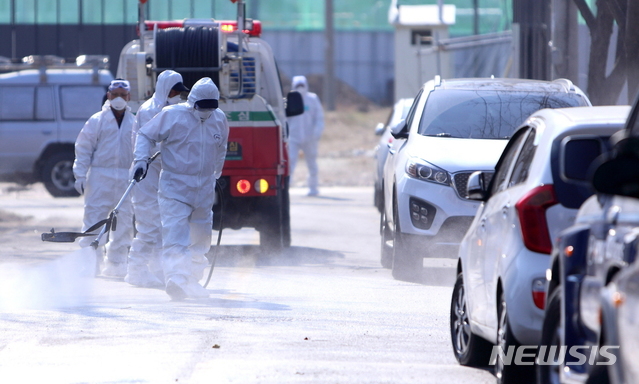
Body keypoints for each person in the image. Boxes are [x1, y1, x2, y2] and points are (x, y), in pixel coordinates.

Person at [132, 77, 229, 300]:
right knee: (176, 233)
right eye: (202, 107)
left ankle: (192, 280)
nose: (205, 111)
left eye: (210, 107)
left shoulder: (219, 119)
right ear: (192, 101)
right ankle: (176, 279)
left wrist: (216, 173)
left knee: (201, 237)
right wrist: (141, 160)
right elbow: (145, 134)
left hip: (204, 186)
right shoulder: (173, 115)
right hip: (175, 185)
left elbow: (221, 147)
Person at [125, 70, 189, 288]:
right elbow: (146, 143)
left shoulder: (173, 111)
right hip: (146, 176)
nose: (177, 96)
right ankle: (136, 271)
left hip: (162, 176)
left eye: (179, 92)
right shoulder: (149, 111)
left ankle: (159, 270)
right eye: (174, 91)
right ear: (164, 89)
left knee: (164, 227)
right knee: (149, 227)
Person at [73, 79, 135, 278]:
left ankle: (116, 265)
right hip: (99, 176)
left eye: (122, 95)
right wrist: (80, 175)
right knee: (94, 220)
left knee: (124, 222)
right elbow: (83, 149)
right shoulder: (97, 120)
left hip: (126, 178)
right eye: (114, 94)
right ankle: (90, 263)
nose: (118, 99)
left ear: (129, 97)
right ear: (108, 96)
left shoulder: (135, 122)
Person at [287, 75, 325, 196]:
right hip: (293, 137)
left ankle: (313, 188)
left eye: (302, 85)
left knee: (312, 163)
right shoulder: (290, 99)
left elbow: (319, 118)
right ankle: (286, 188)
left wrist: (316, 133)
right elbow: (285, 119)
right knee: (290, 162)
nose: (300, 88)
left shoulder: (312, 99)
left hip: (310, 138)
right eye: (298, 86)